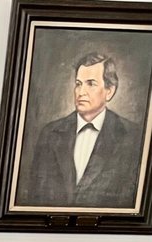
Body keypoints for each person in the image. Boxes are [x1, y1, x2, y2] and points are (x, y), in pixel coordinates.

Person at [17, 52, 144, 208]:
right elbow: (34, 197)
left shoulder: (133, 137)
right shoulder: (50, 134)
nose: (81, 92)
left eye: (90, 83)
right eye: (78, 84)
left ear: (109, 91)